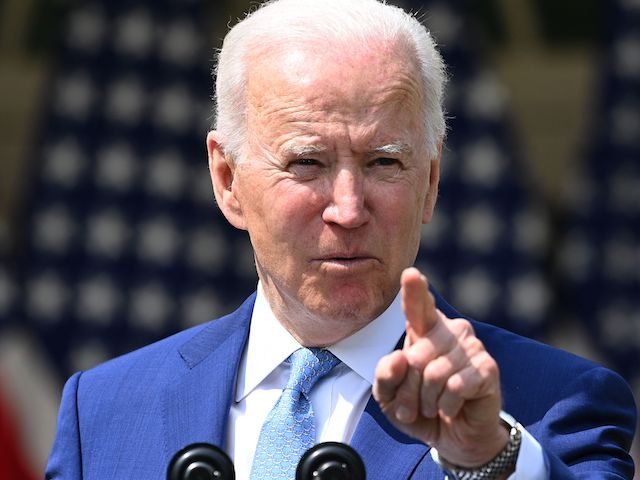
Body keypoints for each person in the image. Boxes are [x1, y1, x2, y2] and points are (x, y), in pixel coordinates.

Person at [45, 0, 636, 479]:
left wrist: (489, 458)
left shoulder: (558, 402)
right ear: (227, 181)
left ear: (430, 183)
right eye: (306, 163)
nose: (348, 209)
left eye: (383, 162)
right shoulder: (103, 412)